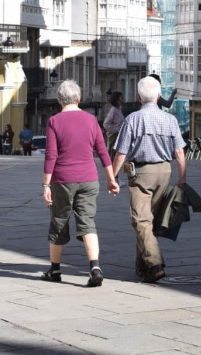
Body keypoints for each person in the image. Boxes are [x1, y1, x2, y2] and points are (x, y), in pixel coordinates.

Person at [41, 80, 119, 287]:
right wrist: (111, 179)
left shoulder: (54, 121)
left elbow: (51, 155)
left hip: (62, 180)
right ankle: (95, 267)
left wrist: (45, 185)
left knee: (59, 221)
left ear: (59, 101)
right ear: (79, 99)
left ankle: (55, 269)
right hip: (89, 179)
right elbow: (102, 151)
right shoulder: (92, 120)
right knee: (88, 222)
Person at [111, 76, 186, 283]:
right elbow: (179, 152)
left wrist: (113, 177)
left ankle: (154, 263)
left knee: (141, 219)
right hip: (164, 171)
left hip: (141, 173)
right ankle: (142, 267)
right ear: (159, 96)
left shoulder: (133, 119)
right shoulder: (170, 119)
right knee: (148, 220)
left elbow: (121, 153)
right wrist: (182, 177)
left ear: (138, 97)